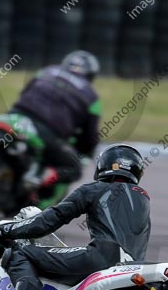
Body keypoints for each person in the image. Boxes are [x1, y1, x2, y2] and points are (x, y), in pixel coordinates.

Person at [0, 144, 151, 290]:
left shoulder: (95, 189)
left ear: (103, 165)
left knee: (21, 254)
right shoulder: (144, 202)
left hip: (102, 258)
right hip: (131, 267)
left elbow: (46, 222)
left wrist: (6, 230)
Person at [10, 50, 102, 191]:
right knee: (74, 168)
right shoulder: (92, 96)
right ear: (91, 74)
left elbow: (24, 93)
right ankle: (40, 183)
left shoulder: (46, 71)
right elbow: (89, 136)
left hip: (16, 117)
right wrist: (86, 152)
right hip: (47, 132)